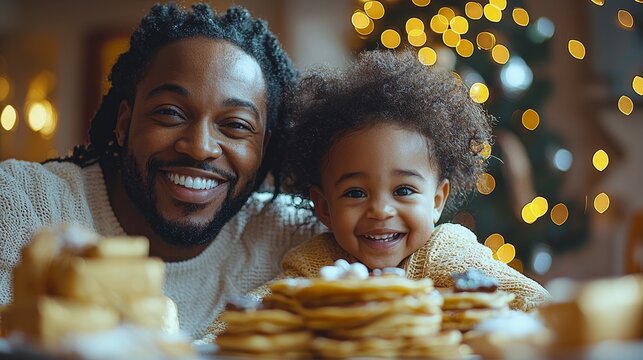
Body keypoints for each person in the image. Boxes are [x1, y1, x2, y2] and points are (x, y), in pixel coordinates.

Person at [0, 3, 322, 339]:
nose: (199, 147)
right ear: (124, 124)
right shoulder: (23, 203)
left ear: (264, 149)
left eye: (235, 125)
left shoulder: (296, 235)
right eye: (170, 113)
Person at [211, 49, 551, 328]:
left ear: (437, 200)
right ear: (324, 207)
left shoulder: (449, 255)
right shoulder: (315, 265)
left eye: (403, 191)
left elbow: (537, 304)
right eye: (356, 193)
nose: (380, 210)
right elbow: (239, 324)